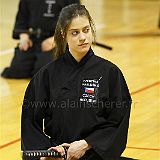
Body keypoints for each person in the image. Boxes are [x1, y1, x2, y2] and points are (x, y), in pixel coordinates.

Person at [21, 4, 132, 160]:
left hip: (96, 155)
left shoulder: (110, 73)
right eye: (74, 33)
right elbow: (30, 122)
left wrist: (87, 143)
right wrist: (48, 152)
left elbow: (117, 121)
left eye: (86, 30)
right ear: (63, 34)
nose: (82, 37)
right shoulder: (47, 75)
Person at [1, 0, 80, 78]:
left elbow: (75, 23)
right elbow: (21, 20)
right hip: (34, 39)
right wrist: (24, 37)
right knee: (17, 69)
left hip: (60, 40)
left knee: (43, 71)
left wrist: (56, 40)